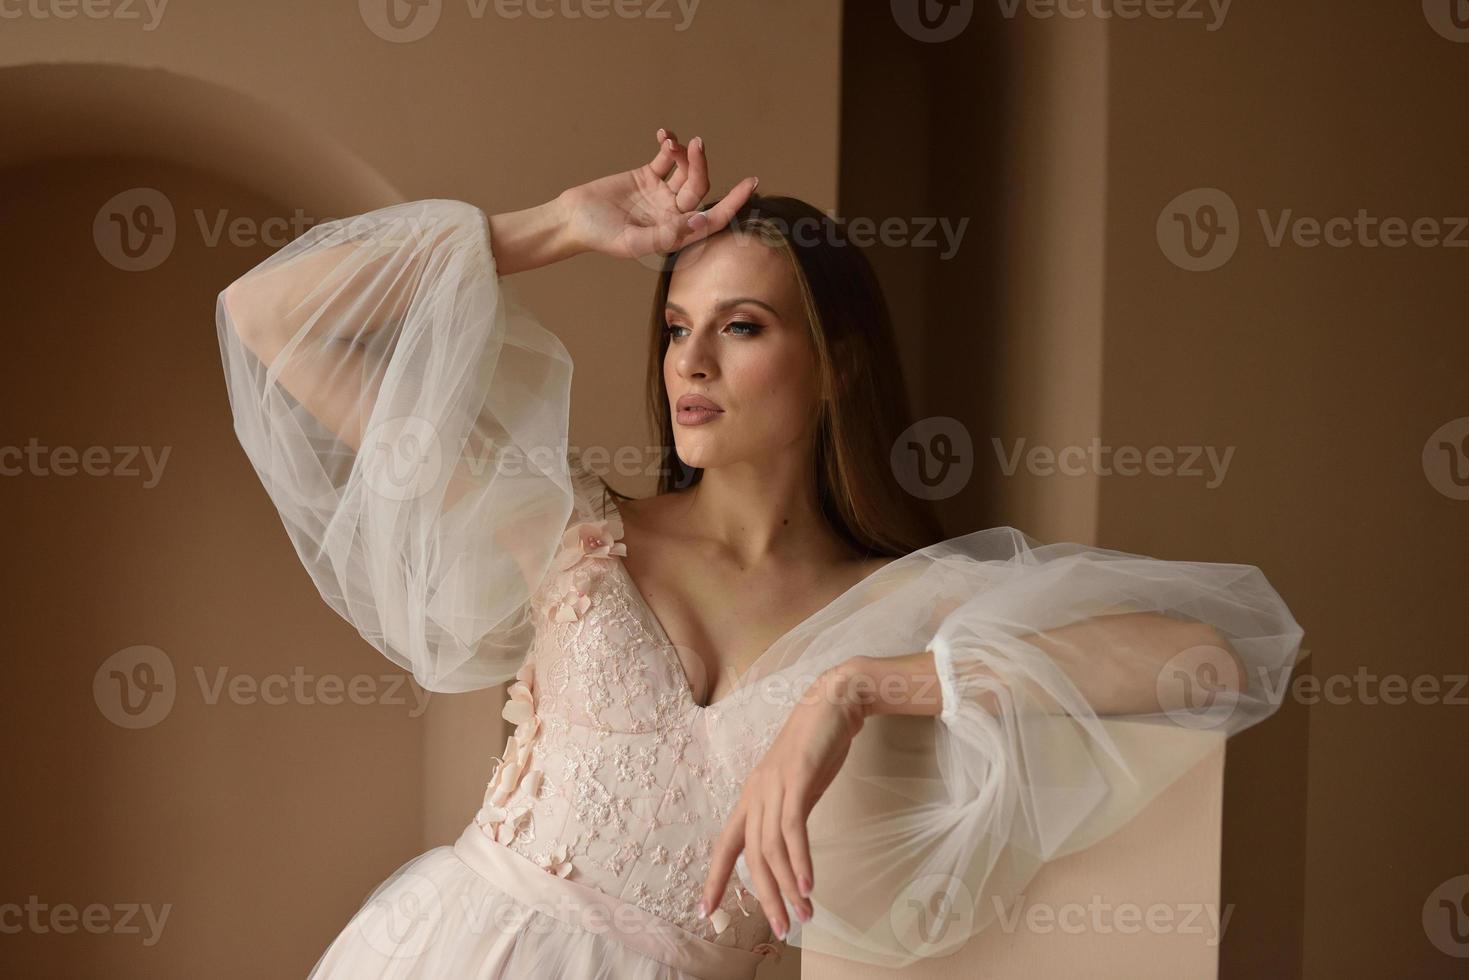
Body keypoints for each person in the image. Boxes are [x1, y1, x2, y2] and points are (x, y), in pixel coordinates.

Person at [215, 129, 1304, 978]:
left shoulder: (903, 602)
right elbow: (265, 315)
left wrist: (855, 686)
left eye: (740, 326)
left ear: (834, 366)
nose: (690, 362)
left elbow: (1207, 657)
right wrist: (558, 225)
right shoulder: (564, 527)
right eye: (674, 328)